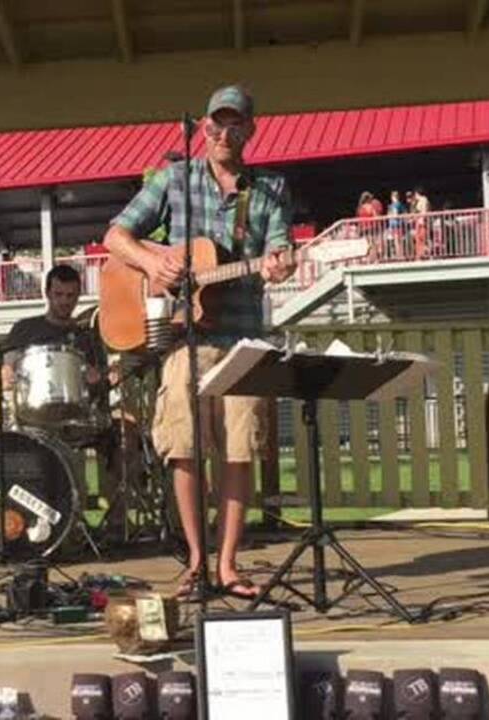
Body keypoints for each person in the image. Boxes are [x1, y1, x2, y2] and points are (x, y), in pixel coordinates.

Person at [102, 84, 295, 599]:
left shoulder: (270, 188)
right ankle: (195, 560)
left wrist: (279, 263)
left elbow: (279, 248)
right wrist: (154, 263)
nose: (223, 133)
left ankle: (228, 564)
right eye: (215, 123)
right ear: (203, 128)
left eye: (235, 125)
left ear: (251, 130)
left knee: (238, 451)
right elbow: (116, 236)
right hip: (186, 337)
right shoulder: (174, 178)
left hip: (244, 337)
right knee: (182, 448)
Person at [2, 263, 103, 390]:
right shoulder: (24, 329)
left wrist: (96, 377)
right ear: (47, 293)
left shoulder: (87, 336)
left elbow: (101, 383)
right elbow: (8, 367)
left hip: (75, 406)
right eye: (58, 294)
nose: (64, 301)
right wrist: (7, 374)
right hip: (33, 405)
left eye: (70, 295)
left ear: (78, 297)